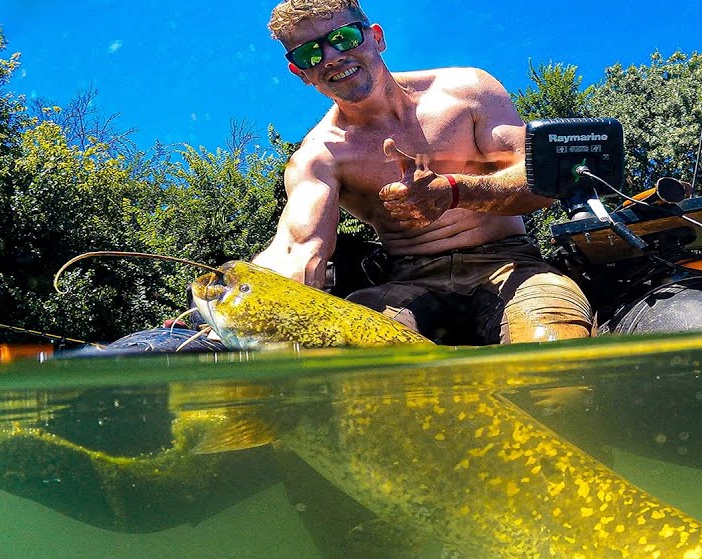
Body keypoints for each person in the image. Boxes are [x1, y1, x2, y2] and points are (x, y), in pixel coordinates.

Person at [252, 0, 594, 345]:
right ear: (300, 73)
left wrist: (454, 191)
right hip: (407, 282)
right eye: (309, 54)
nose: (331, 57)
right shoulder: (320, 156)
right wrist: (254, 285)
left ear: (376, 38)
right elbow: (298, 246)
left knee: (554, 345)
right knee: (354, 350)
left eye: (343, 38)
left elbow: (540, 185)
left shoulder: (467, 91)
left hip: (512, 265)